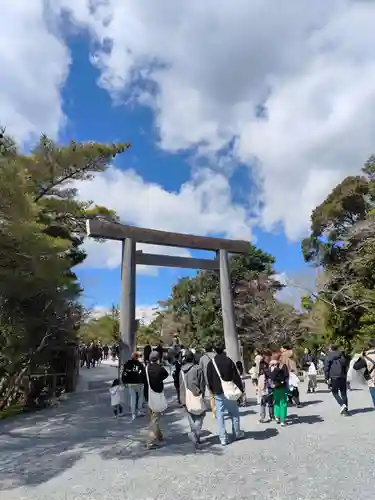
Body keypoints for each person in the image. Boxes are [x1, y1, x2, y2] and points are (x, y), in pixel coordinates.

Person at [207, 345, 244, 446]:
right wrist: (240, 389)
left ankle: (223, 438)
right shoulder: (228, 361)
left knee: (220, 415)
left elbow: (209, 378)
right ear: (223, 350)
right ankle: (237, 433)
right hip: (229, 390)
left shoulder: (211, 363)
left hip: (218, 391)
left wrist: (211, 389)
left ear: (214, 350)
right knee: (234, 413)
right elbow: (235, 375)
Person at [179, 351, 206, 446]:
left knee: (190, 415)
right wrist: (202, 393)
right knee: (200, 414)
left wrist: (181, 399)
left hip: (185, 396)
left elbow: (180, 385)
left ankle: (195, 437)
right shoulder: (197, 368)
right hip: (196, 394)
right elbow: (202, 383)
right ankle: (196, 433)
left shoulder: (181, 370)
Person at [144, 351, 169, 449]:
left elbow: (144, 382)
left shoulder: (146, 368)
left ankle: (159, 436)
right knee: (155, 419)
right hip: (157, 396)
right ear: (158, 359)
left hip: (148, 396)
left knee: (153, 417)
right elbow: (166, 374)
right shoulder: (160, 369)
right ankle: (149, 442)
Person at [324, 344, 349, 416]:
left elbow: (326, 368)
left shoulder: (328, 356)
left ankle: (342, 405)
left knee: (334, 392)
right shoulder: (341, 355)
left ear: (331, 349)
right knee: (343, 393)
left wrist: (326, 377)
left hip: (334, 377)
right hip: (343, 376)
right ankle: (345, 411)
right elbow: (345, 365)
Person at [122, 352, 146, 421]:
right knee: (140, 397)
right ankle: (139, 410)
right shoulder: (140, 365)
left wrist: (125, 382)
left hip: (130, 384)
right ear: (137, 357)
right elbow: (143, 374)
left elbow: (124, 374)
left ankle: (133, 414)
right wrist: (143, 382)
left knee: (133, 398)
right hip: (139, 384)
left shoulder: (127, 364)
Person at [267, 353, 289, 426]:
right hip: (281, 387)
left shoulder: (270, 367)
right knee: (283, 403)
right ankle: (283, 420)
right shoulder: (283, 366)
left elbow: (268, 375)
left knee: (276, 402)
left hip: (273, 387)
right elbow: (286, 376)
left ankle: (277, 416)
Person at [353, 339, 375, 406]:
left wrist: (360, 357)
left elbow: (356, 367)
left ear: (368, 346)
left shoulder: (366, 357)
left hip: (372, 382)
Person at [199, 343, 216, 418]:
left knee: (211, 396)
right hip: (216, 378)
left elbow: (200, 370)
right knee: (217, 395)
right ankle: (217, 409)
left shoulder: (202, 358)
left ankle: (214, 412)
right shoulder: (215, 356)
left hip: (207, 379)